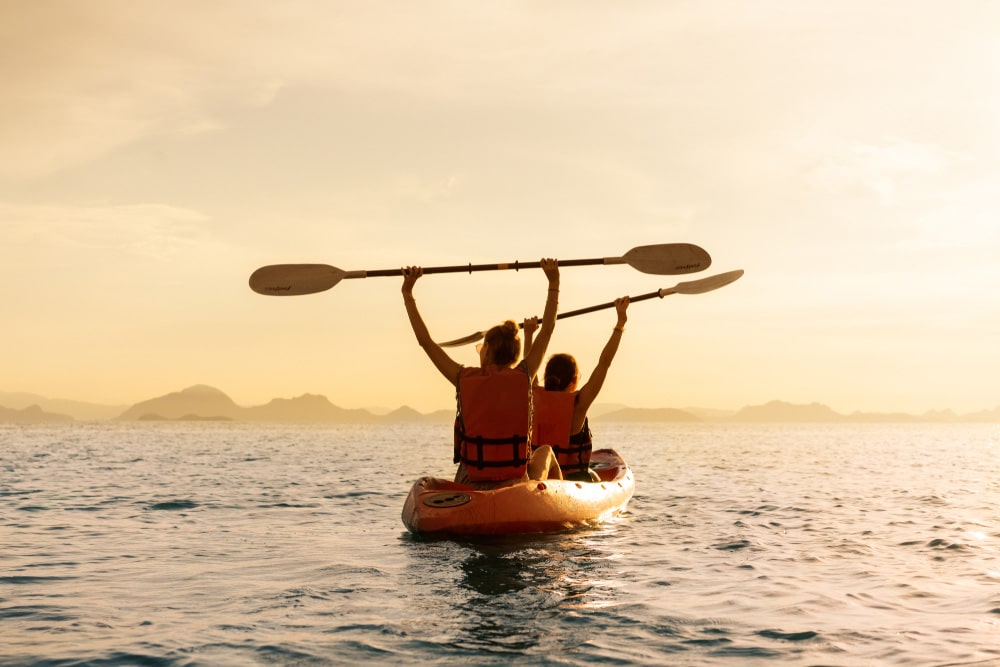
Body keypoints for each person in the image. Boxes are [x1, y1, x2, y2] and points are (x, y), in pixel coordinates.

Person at [401, 259, 563, 489]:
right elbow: (547, 329)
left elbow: (425, 342)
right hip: (514, 483)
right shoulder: (524, 375)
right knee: (545, 451)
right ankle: (555, 504)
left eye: (481, 347)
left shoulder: (463, 378)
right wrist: (553, 283)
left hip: (473, 482)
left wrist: (408, 293)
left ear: (487, 351)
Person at [529, 296, 630, 482]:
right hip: (571, 482)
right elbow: (604, 363)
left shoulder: (534, 396)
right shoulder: (578, 404)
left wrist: (529, 335)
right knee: (594, 476)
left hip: (540, 478)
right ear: (574, 380)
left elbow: (530, 366)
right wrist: (620, 323)